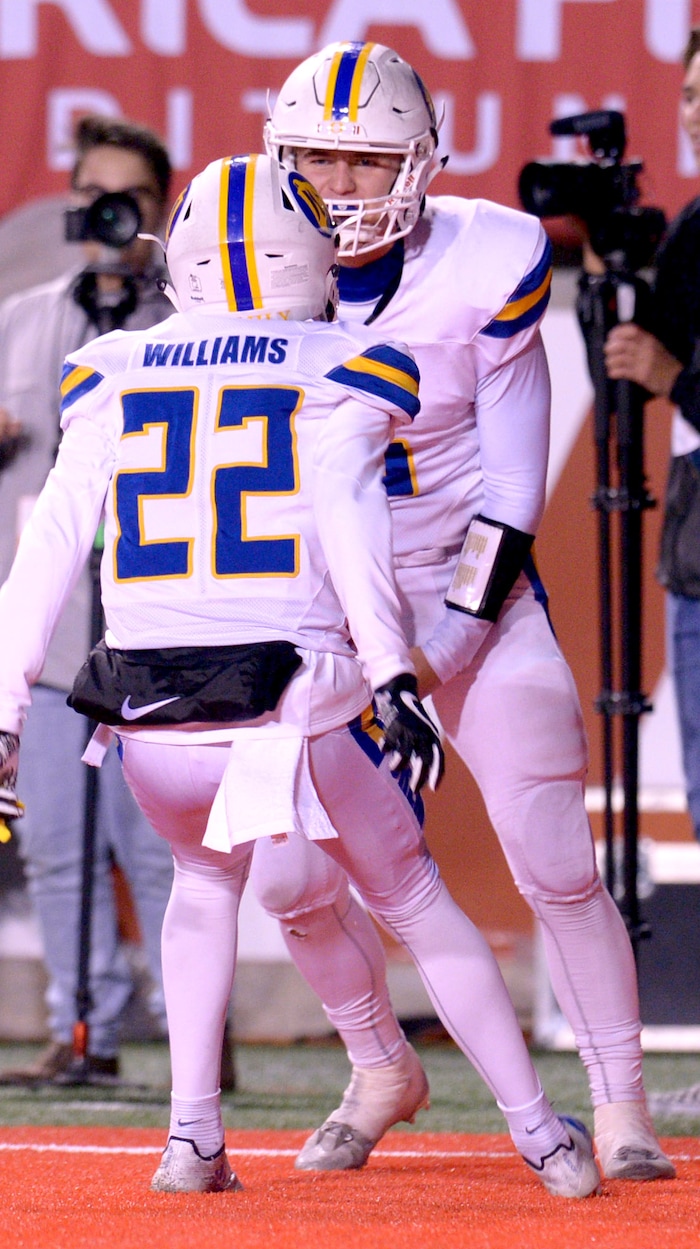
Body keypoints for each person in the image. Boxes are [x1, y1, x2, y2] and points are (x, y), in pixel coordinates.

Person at [0, 151, 601, 1199]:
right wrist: (390, 671)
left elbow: (46, 546)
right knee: (412, 894)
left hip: (148, 710)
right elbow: (346, 512)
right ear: (308, 256)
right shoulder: (343, 358)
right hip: (292, 698)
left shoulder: (112, 367)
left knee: (199, 890)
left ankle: (191, 1137)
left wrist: (4, 707)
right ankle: (541, 1130)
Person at [249, 40, 676, 1181]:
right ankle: (381, 1061)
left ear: (422, 164)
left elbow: (508, 498)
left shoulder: (490, 256)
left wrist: (429, 659)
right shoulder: (238, 267)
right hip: (323, 622)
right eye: (317, 161)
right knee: (286, 877)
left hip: (468, 603)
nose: (338, 189)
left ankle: (621, 1103)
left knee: (553, 858)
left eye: (364, 162)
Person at [0, 114, 211, 1086]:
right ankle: (81, 1023)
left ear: (159, 213)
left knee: (161, 847)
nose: (108, 215)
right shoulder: (27, 314)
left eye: (128, 199)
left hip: (154, 627)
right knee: (51, 842)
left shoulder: (186, 327)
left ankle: (193, 1031)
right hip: (50, 630)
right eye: (94, 195)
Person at [595, 26, 700, 1116]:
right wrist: (606, 293)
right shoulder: (692, 237)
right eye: (691, 92)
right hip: (696, 564)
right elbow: (628, 390)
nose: (698, 108)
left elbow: (669, 375)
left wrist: (678, 373)